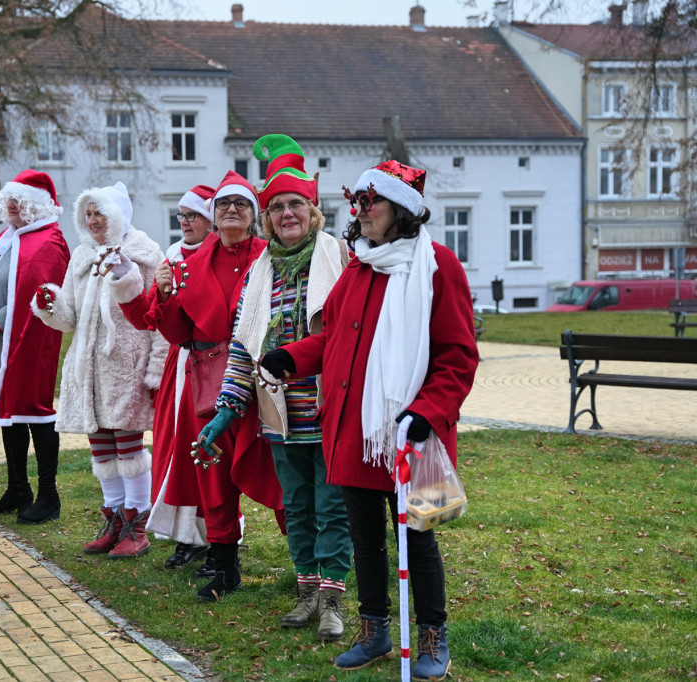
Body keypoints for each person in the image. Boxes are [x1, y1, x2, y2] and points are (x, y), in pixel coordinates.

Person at [260, 160, 478, 678]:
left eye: (370, 201)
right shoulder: (359, 266)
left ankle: (431, 638)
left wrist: (427, 411)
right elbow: (333, 336)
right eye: (357, 203)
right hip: (354, 430)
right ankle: (375, 630)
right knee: (365, 539)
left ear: (400, 209)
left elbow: (458, 356)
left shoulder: (437, 265)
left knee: (417, 539)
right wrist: (292, 358)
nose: (360, 211)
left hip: (410, 436)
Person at [198, 135, 351, 638]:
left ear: (313, 211)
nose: (288, 214)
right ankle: (306, 592)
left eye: (297, 205)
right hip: (279, 414)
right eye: (278, 207)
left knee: (333, 508)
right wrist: (225, 409)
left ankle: (333, 600)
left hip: (331, 409)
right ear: (267, 217)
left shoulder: (340, 261)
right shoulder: (259, 274)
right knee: (298, 506)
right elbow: (244, 347)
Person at [144, 170, 284, 602]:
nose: (231, 211)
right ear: (214, 213)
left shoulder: (272, 257)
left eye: (241, 204)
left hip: (263, 380)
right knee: (213, 473)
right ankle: (225, 566)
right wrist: (164, 298)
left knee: (284, 471)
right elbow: (179, 331)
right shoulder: (187, 266)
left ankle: (314, 565)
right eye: (223, 204)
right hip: (206, 380)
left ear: (254, 214)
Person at [31, 181, 168, 558]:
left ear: (118, 214)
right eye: (87, 214)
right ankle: (114, 520)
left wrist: (156, 369)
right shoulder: (82, 256)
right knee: (101, 447)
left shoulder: (145, 253)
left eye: (99, 213)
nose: (92, 220)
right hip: (88, 367)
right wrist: (49, 305)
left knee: (128, 446)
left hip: (128, 364)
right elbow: (69, 317)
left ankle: (137, 524)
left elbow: (160, 316)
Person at [112, 184, 217, 571]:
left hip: (212, 361)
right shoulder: (173, 254)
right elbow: (152, 316)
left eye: (193, 215)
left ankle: (217, 539)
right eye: (182, 216)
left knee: (205, 453)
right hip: (180, 363)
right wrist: (128, 282)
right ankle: (185, 536)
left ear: (212, 219)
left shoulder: (217, 256)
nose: (185, 222)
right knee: (174, 452)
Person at [0, 170, 70, 524]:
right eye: (8, 199)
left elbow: (40, 291)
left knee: (35, 410)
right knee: (8, 411)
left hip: (31, 339)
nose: (10, 205)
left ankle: (48, 495)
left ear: (36, 206)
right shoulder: (9, 238)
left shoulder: (48, 241)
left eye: (18, 200)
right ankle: (18, 488)